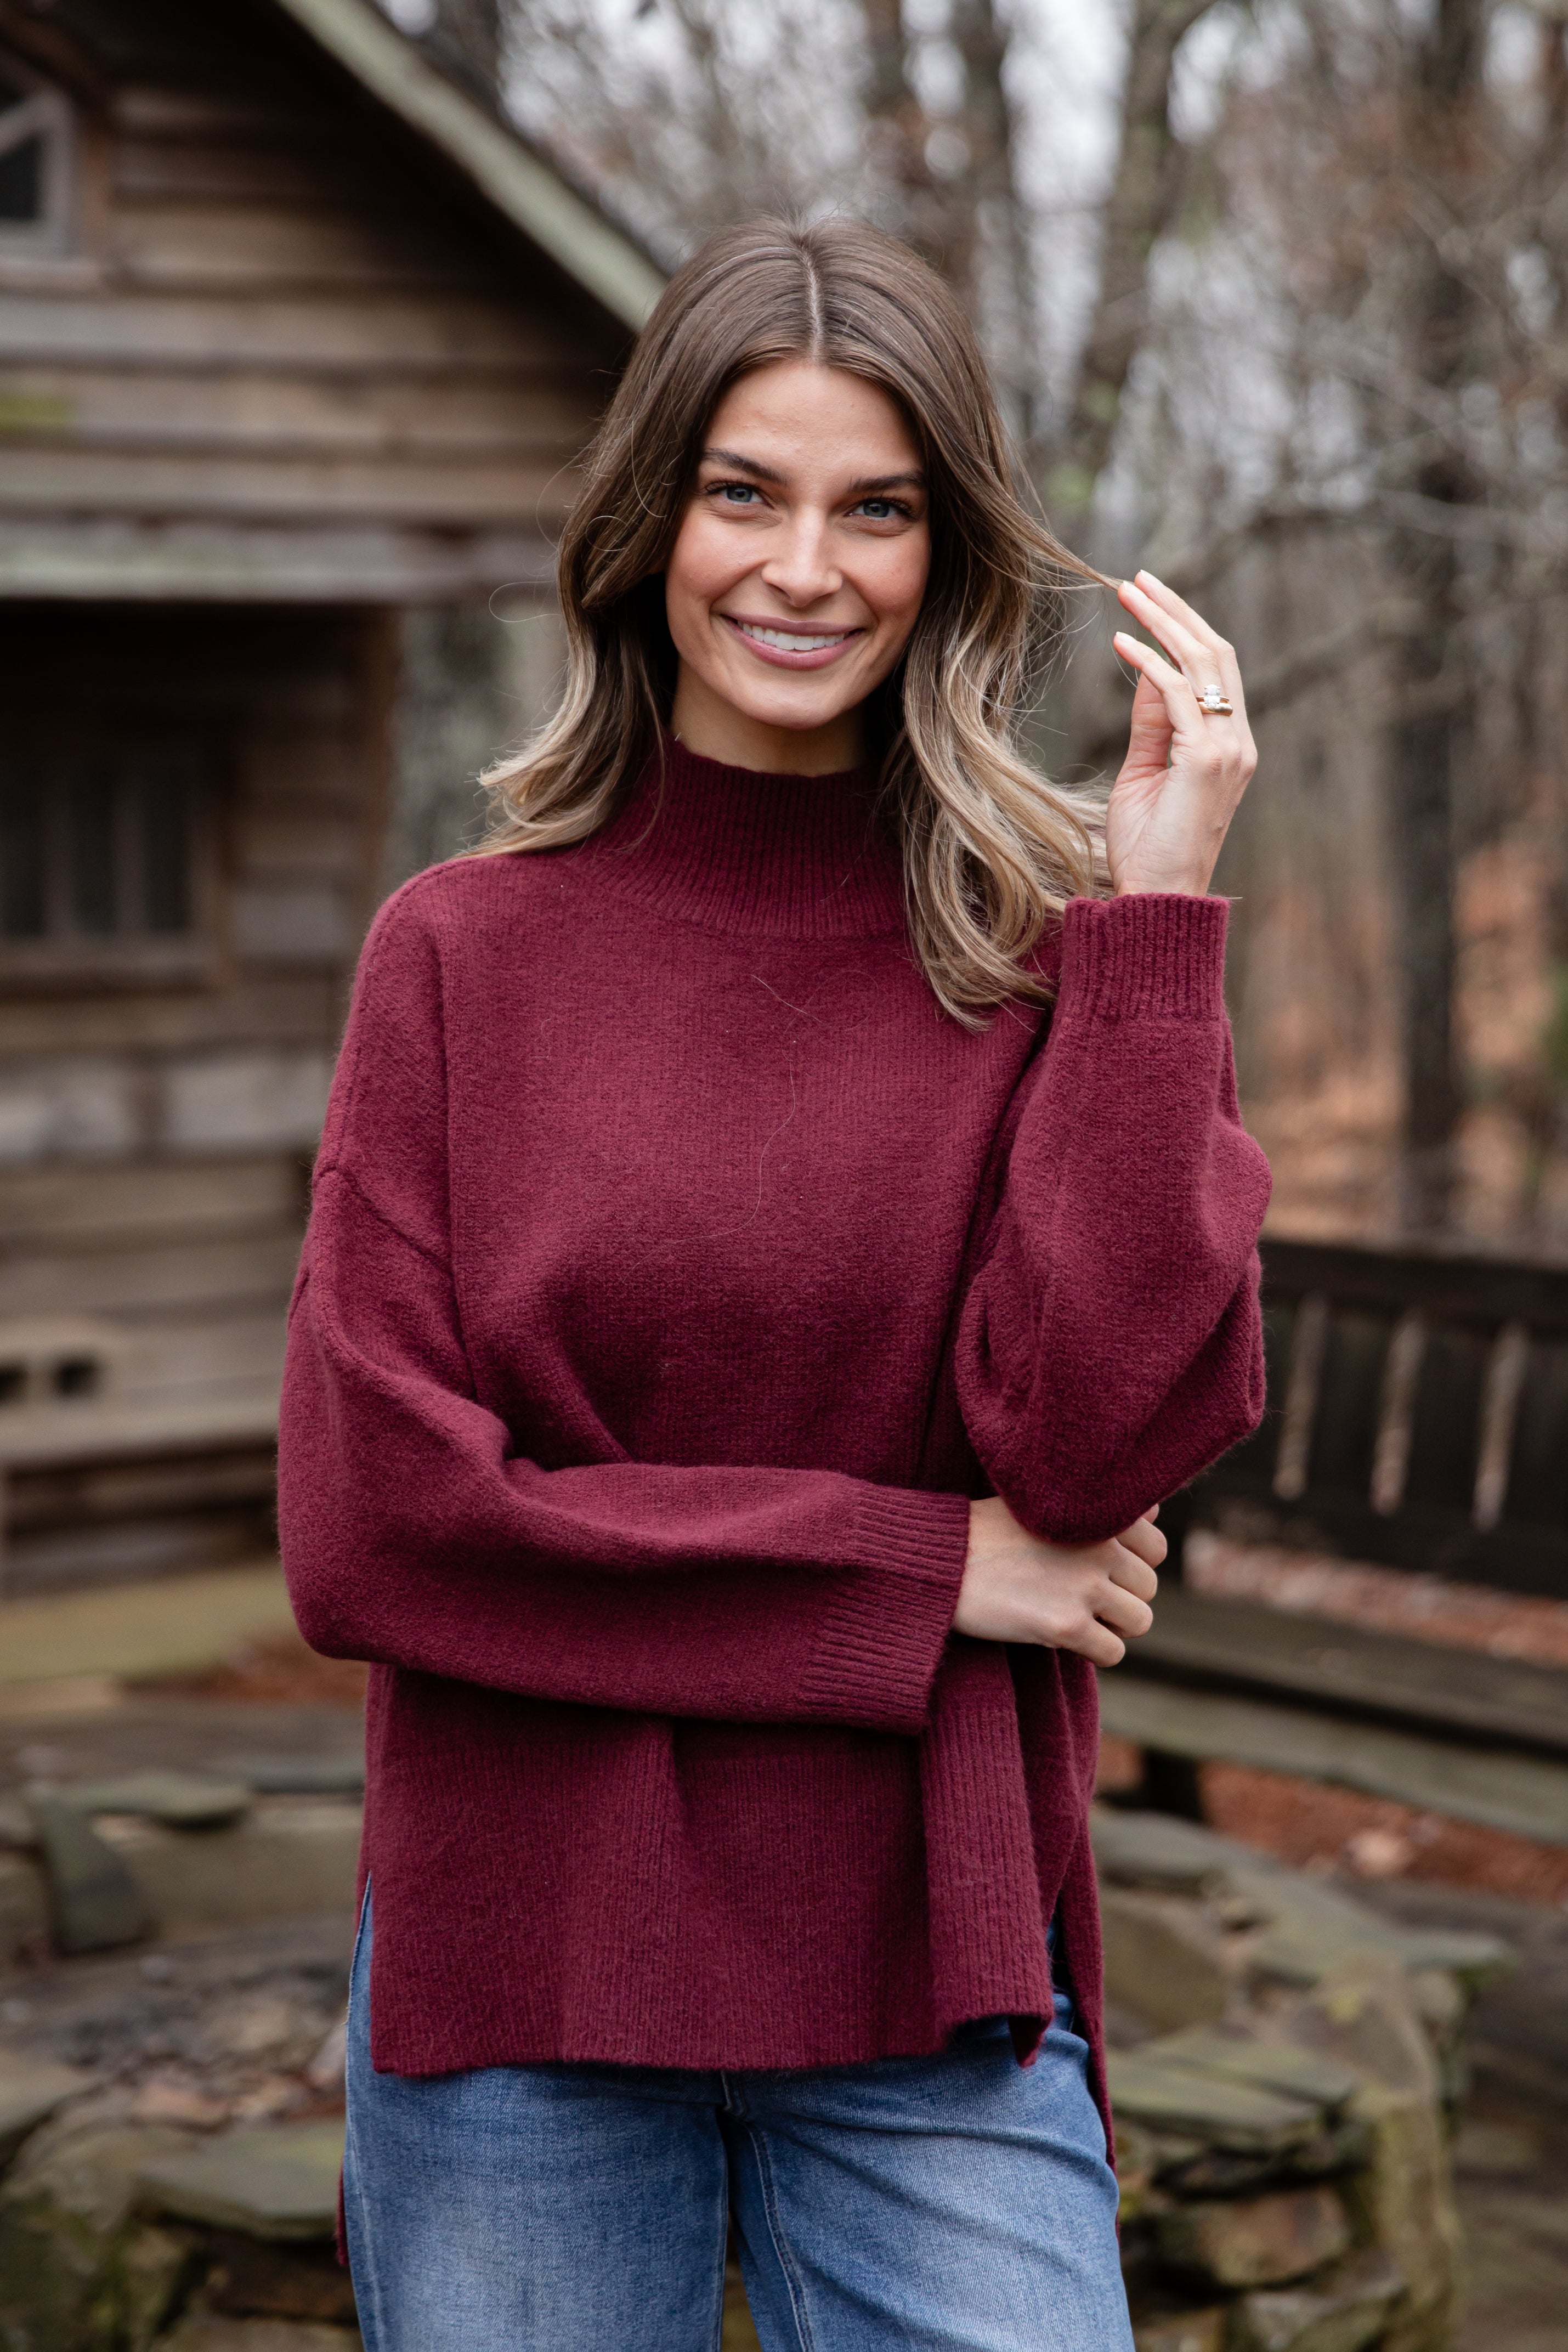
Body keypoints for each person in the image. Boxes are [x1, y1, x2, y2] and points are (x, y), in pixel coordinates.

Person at [279, 215, 1269, 2352]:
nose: (802, 567)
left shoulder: (1039, 963)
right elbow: (377, 1527)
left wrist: (1156, 922)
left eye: (875, 506)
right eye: (747, 490)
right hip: (520, 1965)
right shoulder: (457, 957)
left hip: (933, 1971)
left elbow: (1090, 1447)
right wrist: (919, 1576)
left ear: (946, 552)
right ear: (653, 518)